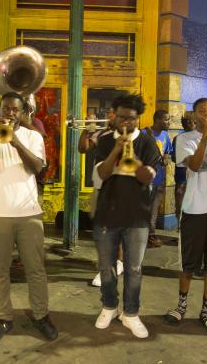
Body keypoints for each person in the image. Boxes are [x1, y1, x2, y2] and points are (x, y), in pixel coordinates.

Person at [0, 92, 57, 343]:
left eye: (15, 110)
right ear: (0, 111)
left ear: (22, 112)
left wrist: (16, 141)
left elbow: (37, 168)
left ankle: (41, 316)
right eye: (5, 109)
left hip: (28, 213)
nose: (10, 113)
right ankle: (3, 317)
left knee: (36, 269)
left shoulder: (32, 136)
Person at [92, 94, 160, 339]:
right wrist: (116, 150)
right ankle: (109, 307)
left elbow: (147, 177)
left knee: (133, 268)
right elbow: (101, 175)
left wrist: (131, 156)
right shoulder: (104, 141)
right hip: (107, 213)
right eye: (121, 117)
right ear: (114, 114)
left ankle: (130, 313)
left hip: (137, 216)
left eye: (131, 119)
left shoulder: (148, 142)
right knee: (106, 267)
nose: (126, 123)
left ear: (137, 119)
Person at [164, 98, 207, 332]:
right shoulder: (183, 139)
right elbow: (193, 166)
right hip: (194, 208)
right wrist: (204, 138)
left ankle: (206, 311)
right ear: (194, 116)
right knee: (188, 263)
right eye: (202, 111)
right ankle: (181, 306)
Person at [78, 109, 124, 288]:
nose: (110, 116)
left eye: (113, 113)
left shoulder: (125, 134)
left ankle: (113, 265)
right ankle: (114, 263)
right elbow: (83, 148)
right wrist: (86, 130)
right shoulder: (101, 134)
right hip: (100, 186)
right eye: (110, 113)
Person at [142, 109, 172, 248]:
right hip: (145, 179)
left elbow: (168, 153)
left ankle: (151, 235)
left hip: (159, 178)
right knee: (143, 208)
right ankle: (144, 235)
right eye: (166, 119)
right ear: (157, 120)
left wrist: (166, 158)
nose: (169, 122)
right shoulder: (144, 134)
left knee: (154, 209)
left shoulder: (166, 135)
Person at [172, 113, 195, 221]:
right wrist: (181, 157)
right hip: (181, 173)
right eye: (187, 121)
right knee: (180, 204)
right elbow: (173, 157)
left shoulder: (200, 138)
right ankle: (180, 228)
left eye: (192, 121)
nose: (190, 124)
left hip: (195, 174)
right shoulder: (178, 138)